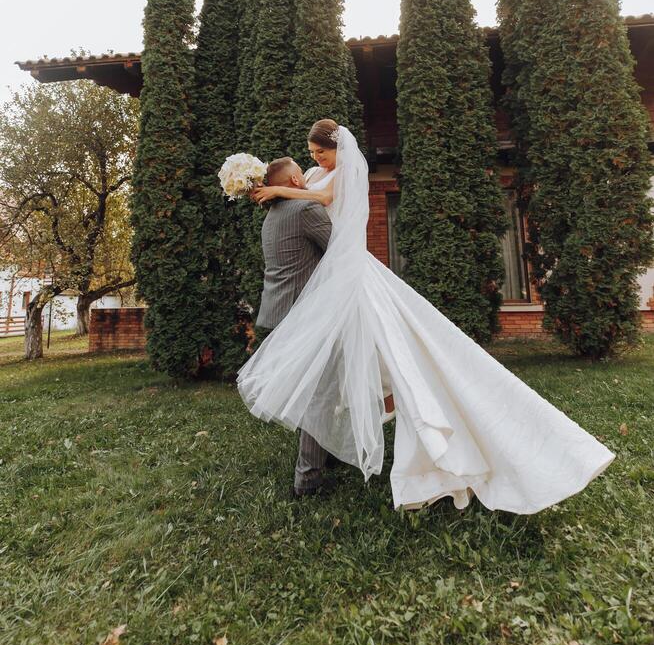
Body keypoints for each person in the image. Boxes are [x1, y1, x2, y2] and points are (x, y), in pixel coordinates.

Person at [238, 118, 615, 513]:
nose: (313, 160)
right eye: (309, 158)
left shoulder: (313, 191)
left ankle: (330, 457)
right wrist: (278, 182)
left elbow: (329, 217)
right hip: (332, 294)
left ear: (337, 150)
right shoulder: (310, 182)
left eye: (319, 153)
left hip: (339, 286)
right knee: (344, 380)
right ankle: (327, 455)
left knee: (366, 371)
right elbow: (312, 210)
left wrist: (279, 187)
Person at [250, 155, 341, 499]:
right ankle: (309, 479)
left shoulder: (273, 216)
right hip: (304, 315)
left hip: (278, 313)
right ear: (294, 183)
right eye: (301, 175)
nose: (306, 178)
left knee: (316, 389)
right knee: (320, 395)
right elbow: (339, 249)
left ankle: (324, 451)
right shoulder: (305, 211)